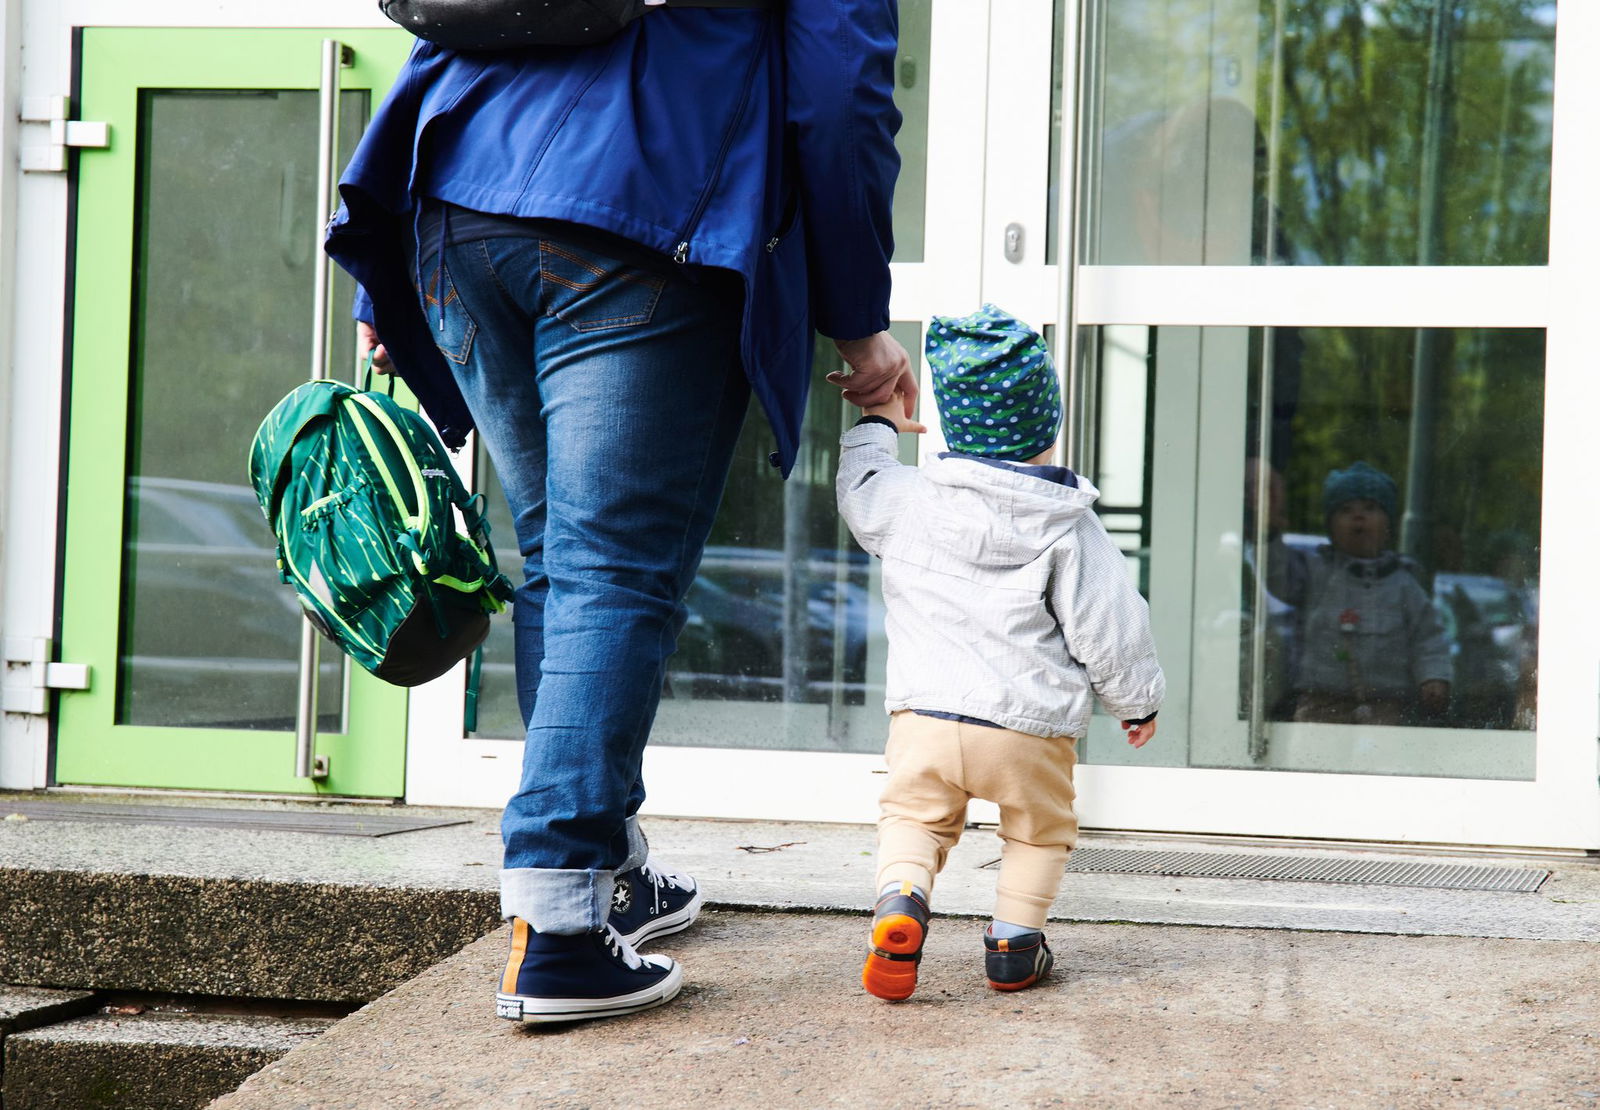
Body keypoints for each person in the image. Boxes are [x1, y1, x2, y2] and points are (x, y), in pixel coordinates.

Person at [326, 2, 916, 1024]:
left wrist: (387, 273)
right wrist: (859, 320)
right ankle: (557, 928)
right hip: (641, 211)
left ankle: (604, 873)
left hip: (458, 197)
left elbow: (472, 19)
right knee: (610, 572)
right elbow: (838, 100)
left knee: (565, 561)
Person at [834, 305, 1165, 1001]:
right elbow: (1109, 626)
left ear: (956, 425)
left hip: (925, 719)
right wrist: (1136, 701)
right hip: (1027, 729)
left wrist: (879, 426)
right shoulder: (1069, 527)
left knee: (912, 821)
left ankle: (900, 900)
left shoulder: (913, 502)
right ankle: (1014, 945)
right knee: (1040, 834)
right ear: (1048, 424)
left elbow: (861, 492)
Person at [1268, 461, 1452, 725]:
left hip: (1386, 705)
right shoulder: (1315, 571)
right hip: (1320, 702)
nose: (1358, 516)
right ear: (1330, 527)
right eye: (1345, 510)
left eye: (1370, 508)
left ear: (1388, 525)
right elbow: (1277, 576)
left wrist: (1434, 676)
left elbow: (1428, 637)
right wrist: (1270, 534)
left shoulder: (1404, 583)